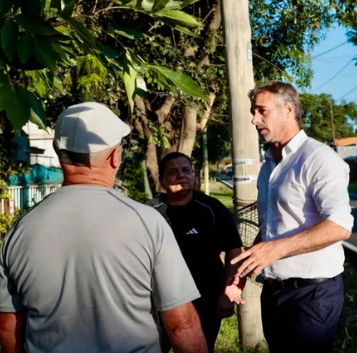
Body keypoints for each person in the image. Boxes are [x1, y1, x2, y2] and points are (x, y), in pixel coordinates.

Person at [0, 102, 207, 353]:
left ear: (58, 152)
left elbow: (8, 326)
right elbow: (181, 325)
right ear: (114, 157)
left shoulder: (20, 230)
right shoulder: (148, 222)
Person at [230, 81, 354, 353]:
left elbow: (340, 225)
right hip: (274, 292)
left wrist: (274, 250)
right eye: (253, 111)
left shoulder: (319, 158)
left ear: (287, 110)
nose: (254, 119)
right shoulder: (269, 166)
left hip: (312, 295)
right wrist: (248, 265)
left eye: (261, 111)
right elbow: (272, 228)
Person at [147, 152, 244, 353]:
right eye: (173, 172)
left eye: (186, 170)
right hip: (158, 303)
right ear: (162, 180)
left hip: (205, 300)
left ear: (193, 175)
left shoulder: (212, 209)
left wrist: (227, 292)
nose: (181, 175)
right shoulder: (149, 213)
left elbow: (234, 249)